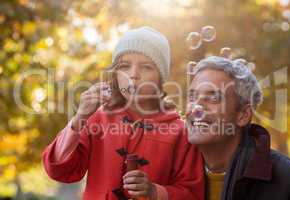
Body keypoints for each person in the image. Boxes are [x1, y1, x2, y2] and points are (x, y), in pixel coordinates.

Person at [42, 26, 204, 200]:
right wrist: (79, 118)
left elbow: (192, 193)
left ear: (160, 77)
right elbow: (59, 169)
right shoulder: (98, 118)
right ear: (116, 74)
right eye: (125, 66)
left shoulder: (180, 131)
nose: (134, 75)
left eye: (146, 67)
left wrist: (155, 191)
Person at [186, 55, 290, 200]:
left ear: (243, 115)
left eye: (214, 98)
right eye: (191, 97)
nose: (196, 107)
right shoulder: (171, 171)